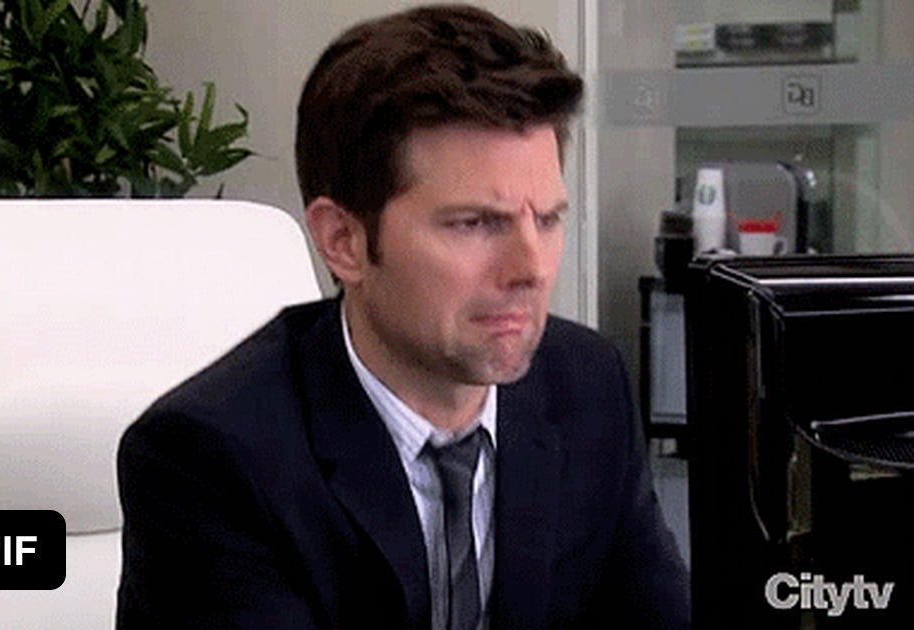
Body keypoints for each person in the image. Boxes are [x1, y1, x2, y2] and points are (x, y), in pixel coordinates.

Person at [115, 4, 689, 629]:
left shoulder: (584, 385)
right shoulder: (210, 457)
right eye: (475, 223)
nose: (532, 268)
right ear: (343, 241)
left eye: (547, 219)